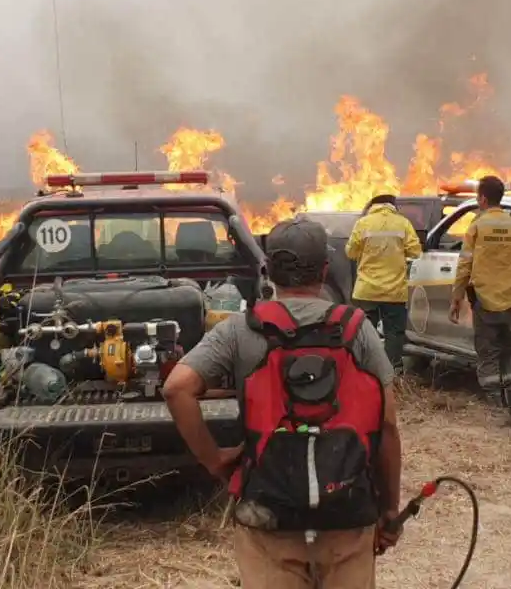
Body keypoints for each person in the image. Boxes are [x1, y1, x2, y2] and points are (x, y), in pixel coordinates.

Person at [165, 217, 403, 589]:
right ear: (325, 270)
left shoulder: (241, 330)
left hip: (267, 514)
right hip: (347, 512)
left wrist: (214, 460)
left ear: (268, 270)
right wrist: (389, 509)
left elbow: (176, 388)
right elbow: (387, 426)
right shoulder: (358, 329)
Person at [449, 175, 511, 427]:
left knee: (488, 353)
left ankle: (494, 408)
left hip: (484, 302)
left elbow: (464, 265)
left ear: (482, 198)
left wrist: (456, 298)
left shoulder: (477, 227)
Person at [345, 194, 422, 370]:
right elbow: (416, 252)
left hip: (366, 290)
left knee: (364, 331)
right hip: (394, 292)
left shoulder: (363, 223)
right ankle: (392, 370)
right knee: (394, 333)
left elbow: (350, 252)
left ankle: (364, 368)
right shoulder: (403, 223)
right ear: (393, 206)